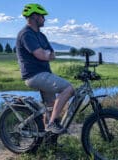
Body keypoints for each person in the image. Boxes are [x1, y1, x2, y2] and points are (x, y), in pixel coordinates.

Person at [16, 3, 74, 134]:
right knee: (68, 88)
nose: (44, 19)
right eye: (42, 16)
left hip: (44, 74)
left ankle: (48, 138)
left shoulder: (41, 36)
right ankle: (52, 124)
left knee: (51, 107)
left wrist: (46, 54)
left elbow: (52, 54)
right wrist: (45, 54)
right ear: (35, 16)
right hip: (34, 75)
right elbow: (41, 55)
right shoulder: (26, 34)